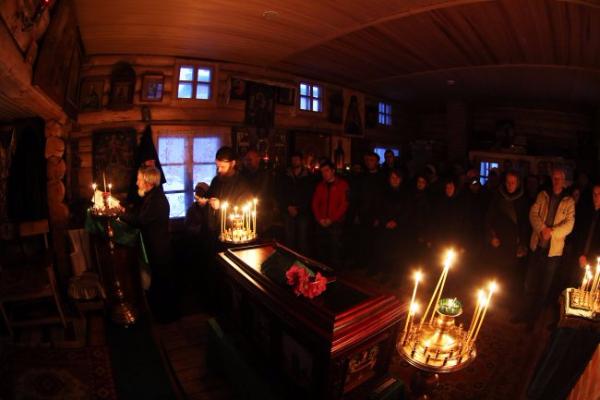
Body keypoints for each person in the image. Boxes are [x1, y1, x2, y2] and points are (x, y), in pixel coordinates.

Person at [122, 166, 178, 323]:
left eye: (139, 179)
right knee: (158, 283)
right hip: (155, 246)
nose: (136, 183)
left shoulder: (157, 200)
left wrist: (120, 214)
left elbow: (141, 220)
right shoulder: (151, 197)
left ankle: (165, 319)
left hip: (159, 249)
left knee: (161, 284)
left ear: (148, 182)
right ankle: (159, 315)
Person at [520, 167, 575, 327]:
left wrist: (551, 232)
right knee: (529, 283)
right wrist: (542, 229)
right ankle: (524, 313)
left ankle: (533, 319)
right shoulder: (542, 195)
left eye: (559, 178)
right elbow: (533, 214)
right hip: (537, 247)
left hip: (553, 253)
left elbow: (569, 225)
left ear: (563, 181)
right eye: (554, 178)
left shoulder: (569, 201)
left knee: (544, 286)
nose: (556, 181)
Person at [484, 171, 530, 288]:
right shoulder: (497, 196)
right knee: (494, 275)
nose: (510, 185)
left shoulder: (523, 200)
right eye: (508, 182)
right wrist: (491, 236)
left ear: (518, 183)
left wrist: (522, 244)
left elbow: (525, 224)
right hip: (498, 241)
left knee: (509, 277)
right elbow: (489, 218)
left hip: (513, 244)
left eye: (513, 182)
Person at [206, 146, 251, 239]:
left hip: (232, 233)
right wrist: (204, 201)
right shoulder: (216, 180)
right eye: (217, 166)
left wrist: (220, 205)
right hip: (214, 232)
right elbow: (209, 197)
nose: (219, 170)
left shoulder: (242, 183)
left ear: (232, 163)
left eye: (222, 167)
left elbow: (243, 209)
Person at [311, 160, 349, 269]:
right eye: (322, 171)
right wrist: (320, 219)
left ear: (333, 171)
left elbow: (344, 205)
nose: (324, 174)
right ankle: (323, 271)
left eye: (327, 170)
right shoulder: (320, 186)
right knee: (321, 249)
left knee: (335, 249)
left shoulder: (343, 185)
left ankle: (335, 272)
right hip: (321, 222)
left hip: (336, 223)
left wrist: (332, 219)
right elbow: (315, 203)